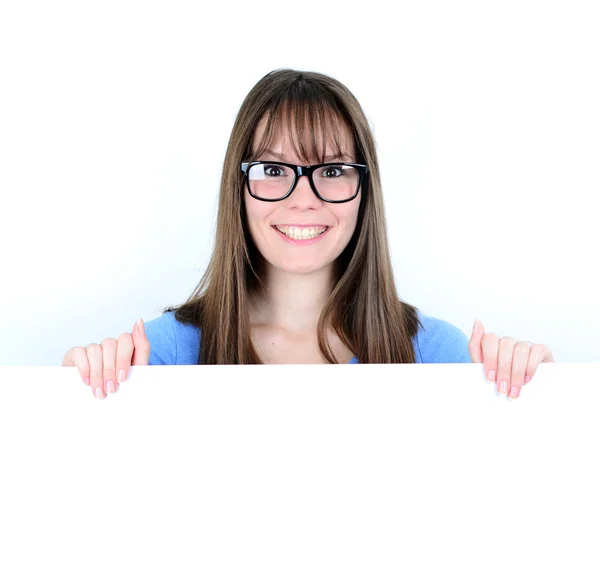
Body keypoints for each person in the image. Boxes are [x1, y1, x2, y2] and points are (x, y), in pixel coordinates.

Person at [62, 68, 554, 400]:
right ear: (239, 188)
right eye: (274, 171)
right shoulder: (161, 356)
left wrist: (535, 391)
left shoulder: (435, 354)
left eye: (333, 169)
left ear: (365, 189)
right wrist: (85, 393)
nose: (304, 198)